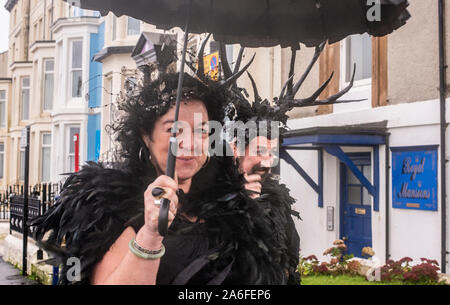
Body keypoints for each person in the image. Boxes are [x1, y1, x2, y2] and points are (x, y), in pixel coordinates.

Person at [29, 67, 286, 285]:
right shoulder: (106, 205)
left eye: (202, 130)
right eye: (174, 129)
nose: (189, 142)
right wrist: (151, 232)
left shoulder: (231, 203)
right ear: (145, 135)